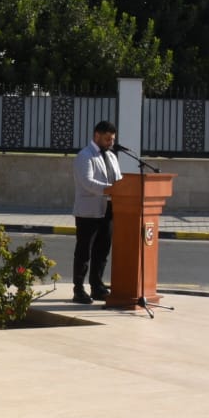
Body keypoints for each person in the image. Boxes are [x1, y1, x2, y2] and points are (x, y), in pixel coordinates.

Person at [69, 121, 123, 304]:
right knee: (84, 252)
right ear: (97, 136)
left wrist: (121, 189)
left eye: (112, 139)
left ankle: (97, 287)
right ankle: (78, 290)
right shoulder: (85, 156)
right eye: (107, 139)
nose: (111, 142)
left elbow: (119, 180)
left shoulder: (112, 157)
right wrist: (110, 189)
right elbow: (87, 182)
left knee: (102, 251)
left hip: (108, 210)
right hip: (88, 213)